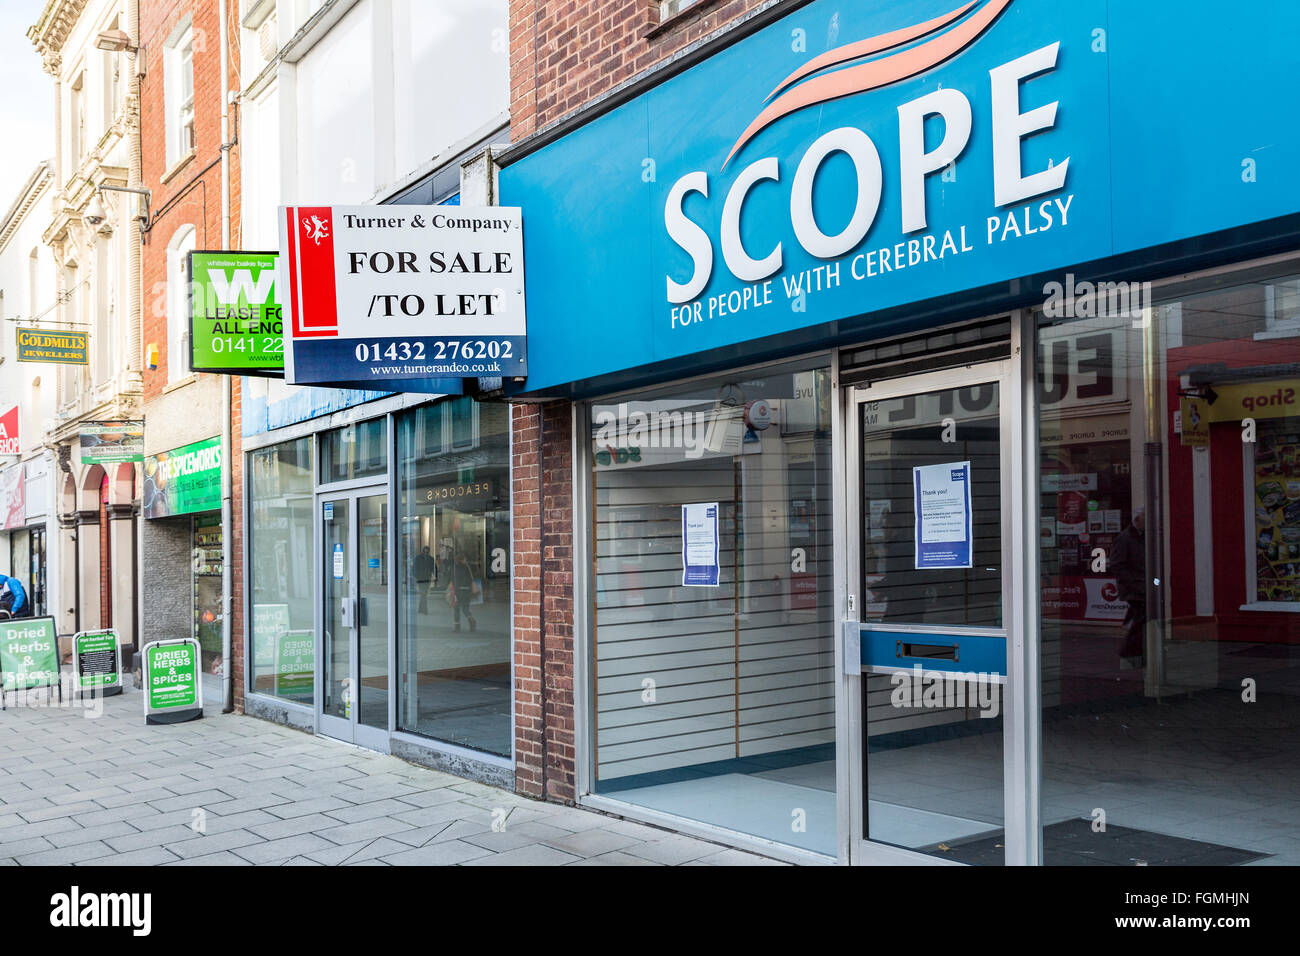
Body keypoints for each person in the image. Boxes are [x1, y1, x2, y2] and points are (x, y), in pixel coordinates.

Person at [1109, 506, 1146, 669]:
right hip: (1134, 588)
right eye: (1145, 519)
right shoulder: (1125, 538)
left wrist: (1155, 583)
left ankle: (1134, 652)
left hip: (1142, 586)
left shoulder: (1142, 537)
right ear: (1138, 520)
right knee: (1141, 618)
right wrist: (1133, 584)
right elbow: (1117, 564)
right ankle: (1128, 652)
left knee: (1142, 618)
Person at [450, 552, 477, 632]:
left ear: (457, 560)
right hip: (467, 590)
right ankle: (471, 620)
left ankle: (457, 627)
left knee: (456, 608)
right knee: (465, 608)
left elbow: (453, 579)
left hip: (458, 591)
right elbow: (471, 579)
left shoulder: (455, 568)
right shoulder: (467, 567)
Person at [414, 546, 436, 614]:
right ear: (423, 551)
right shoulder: (418, 558)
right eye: (425, 551)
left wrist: (434, 576)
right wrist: (416, 576)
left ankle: (421, 609)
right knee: (423, 594)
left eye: (427, 551)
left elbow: (434, 568)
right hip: (420, 578)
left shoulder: (431, 559)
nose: (426, 552)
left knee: (424, 594)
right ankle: (424, 610)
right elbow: (414, 568)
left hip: (427, 578)